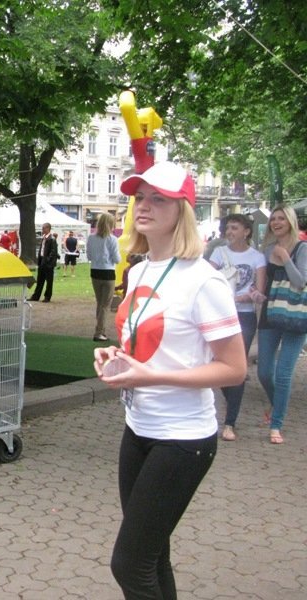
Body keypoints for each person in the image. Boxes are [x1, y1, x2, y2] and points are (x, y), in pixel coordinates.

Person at [92, 161, 246, 599]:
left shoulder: (204, 281)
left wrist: (151, 375)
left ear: (184, 211)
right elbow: (150, 344)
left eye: (159, 198)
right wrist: (117, 355)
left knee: (129, 564)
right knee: (152, 557)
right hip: (138, 428)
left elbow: (234, 369)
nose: (144, 206)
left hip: (183, 439)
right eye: (140, 197)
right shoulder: (140, 270)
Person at [207, 213, 266, 441]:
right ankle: (228, 406)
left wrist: (246, 297)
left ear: (246, 231)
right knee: (216, 363)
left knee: (237, 367)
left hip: (244, 316)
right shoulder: (219, 253)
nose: (230, 232)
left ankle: (230, 423)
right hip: (219, 314)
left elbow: (259, 290)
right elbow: (206, 281)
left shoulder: (257, 257)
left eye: (235, 228)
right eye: (228, 228)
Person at [256, 204, 307, 444]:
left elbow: (300, 281)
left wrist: (286, 258)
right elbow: (264, 282)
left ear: (290, 221)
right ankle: (277, 405)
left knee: (283, 373)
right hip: (270, 312)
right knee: (264, 372)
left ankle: (276, 424)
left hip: (295, 314)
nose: (276, 222)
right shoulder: (266, 250)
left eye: (281, 218)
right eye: (273, 219)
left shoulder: (302, 248)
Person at [86, 213, 121, 342]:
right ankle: (99, 332)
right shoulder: (113, 239)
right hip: (108, 273)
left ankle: (101, 330)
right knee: (105, 305)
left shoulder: (91, 238)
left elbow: (89, 256)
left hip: (95, 272)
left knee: (100, 303)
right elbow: (117, 259)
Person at [29, 223, 58, 302]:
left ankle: (47, 296)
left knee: (49, 281)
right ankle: (36, 296)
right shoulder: (44, 238)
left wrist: (48, 260)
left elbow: (53, 252)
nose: (42, 230)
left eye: (44, 228)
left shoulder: (52, 239)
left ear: (48, 228)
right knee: (40, 280)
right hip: (42, 260)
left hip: (48, 263)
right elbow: (42, 250)